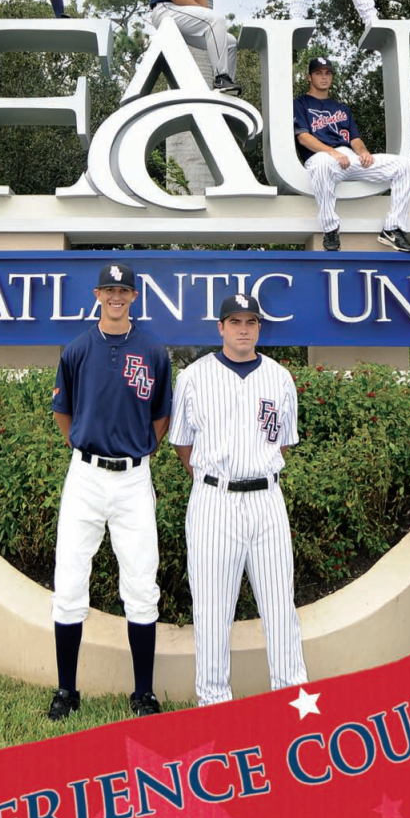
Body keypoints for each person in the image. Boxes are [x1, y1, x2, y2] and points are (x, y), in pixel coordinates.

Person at [169, 294, 308, 706]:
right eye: (235, 321)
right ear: (221, 328)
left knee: (280, 603)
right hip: (214, 499)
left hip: (266, 499)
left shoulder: (280, 377)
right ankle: (213, 704)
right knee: (212, 609)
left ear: (260, 328)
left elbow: (283, 445)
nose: (243, 328)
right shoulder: (193, 376)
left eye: (251, 321)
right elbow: (182, 445)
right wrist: (214, 479)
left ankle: (294, 700)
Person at [48, 262, 172, 720]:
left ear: (134, 297)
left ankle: (143, 693)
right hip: (85, 476)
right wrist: (87, 443)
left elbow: (161, 418)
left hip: (134, 478)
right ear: (98, 294)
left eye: (124, 290)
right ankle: (66, 691)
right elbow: (64, 412)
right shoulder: (78, 349)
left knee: (141, 583)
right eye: (109, 290)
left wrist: (138, 450)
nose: (116, 297)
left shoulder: (154, 351)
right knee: (69, 582)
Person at [295, 56, 410, 252]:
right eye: (318, 73)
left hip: (348, 158)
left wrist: (364, 152)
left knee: (406, 166)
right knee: (322, 164)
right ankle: (330, 227)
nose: (324, 77)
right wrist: (331, 152)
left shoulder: (342, 108)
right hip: (321, 157)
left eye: (328, 73)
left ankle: (392, 228)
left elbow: (355, 139)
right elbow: (303, 137)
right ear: (309, 77)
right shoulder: (300, 103)